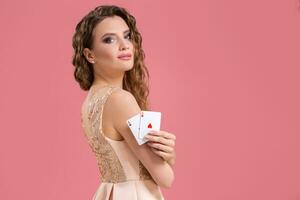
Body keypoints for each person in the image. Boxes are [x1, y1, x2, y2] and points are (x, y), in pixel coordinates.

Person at [71, 5, 176, 200]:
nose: (124, 45)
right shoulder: (120, 100)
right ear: (89, 55)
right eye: (109, 39)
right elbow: (165, 178)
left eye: (127, 36)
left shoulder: (90, 102)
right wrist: (170, 157)